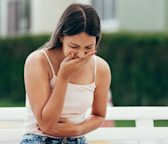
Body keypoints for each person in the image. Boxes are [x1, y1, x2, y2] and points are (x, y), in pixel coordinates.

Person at [20, 3, 111, 144]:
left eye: (88, 48)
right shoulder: (38, 61)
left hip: (77, 140)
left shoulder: (101, 68)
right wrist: (63, 76)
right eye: (74, 47)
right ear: (61, 37)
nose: (81, 55)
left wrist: (77, 130)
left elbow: (99, 115)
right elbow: (47, 125)